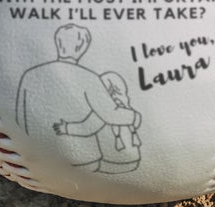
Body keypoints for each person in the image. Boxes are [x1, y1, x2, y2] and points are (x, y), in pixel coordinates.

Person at [15, 25, 141, 172]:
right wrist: (133, 116)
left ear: (58, 43)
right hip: (83, 161)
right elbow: (111, 115)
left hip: (37, 157)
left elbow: (18, 118)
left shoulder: (29, 75)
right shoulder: (89, 78)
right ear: (82, 46)